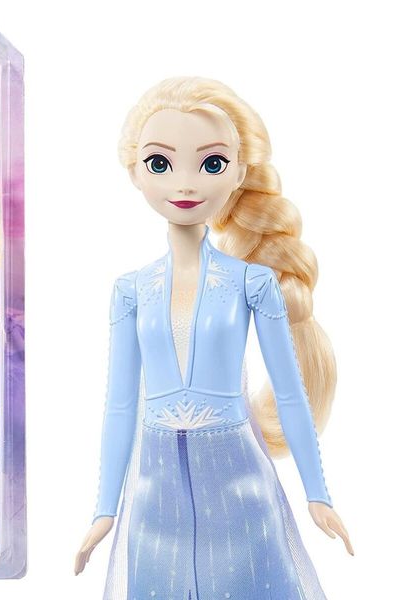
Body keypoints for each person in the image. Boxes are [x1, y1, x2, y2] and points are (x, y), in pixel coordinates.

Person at [75, 77, 353, 600]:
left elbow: (290, 392)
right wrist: (104, 511)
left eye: (212, 163)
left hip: (237, 473)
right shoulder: (131, 289)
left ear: (239, 172)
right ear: (135, 171)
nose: (185, 183)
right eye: (161, 163)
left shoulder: (252, 282)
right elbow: (120, 405)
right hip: (155, 485)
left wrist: (318, 495)